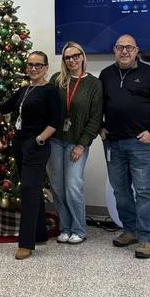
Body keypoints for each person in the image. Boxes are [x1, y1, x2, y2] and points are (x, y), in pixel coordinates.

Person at [0, 51, 61, 260]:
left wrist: (39, 139)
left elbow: (55, 121)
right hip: (20, 144)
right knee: (33, 189)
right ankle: (39, 233)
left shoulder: (50, 91)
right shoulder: (23, 90)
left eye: (38, 65)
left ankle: (26, 243)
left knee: (28, 191)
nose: (34, 68)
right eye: (30, 64)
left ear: (46, 68)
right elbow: (1, 109)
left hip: (37, 146)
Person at [99, 35, 150, 259]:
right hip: (112, 143)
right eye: (120, 47)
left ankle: (147, 238)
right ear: (114, 50)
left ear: (137, 50)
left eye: (129, 47)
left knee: (143, 190)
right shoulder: (106, 74)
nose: (125, 51)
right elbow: (97, 104)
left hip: (140, 143)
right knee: (120, 190)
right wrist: (100, 127)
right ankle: (129, 231)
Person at [47, 42, 102, 244]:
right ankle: (65, 227)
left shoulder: (94, 84)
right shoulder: (57, 80)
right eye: (67, 57)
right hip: (55, 141)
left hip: (76, 143)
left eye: (75, 56)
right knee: (58, 187)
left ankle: (79, 229)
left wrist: (82, 144)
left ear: (82, 56)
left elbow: (95, 118)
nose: (71, 60)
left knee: (72, 186)